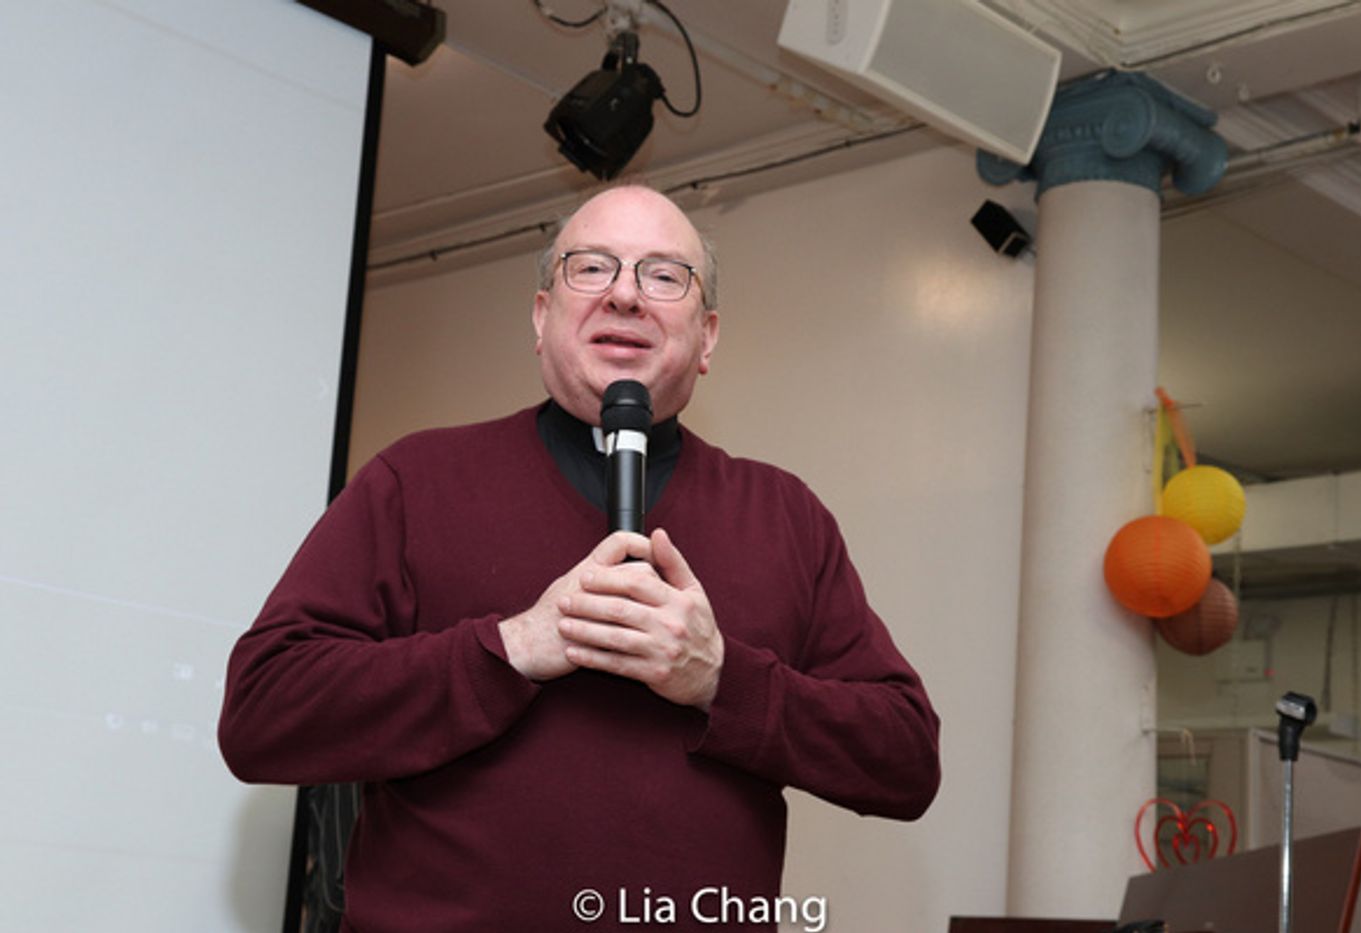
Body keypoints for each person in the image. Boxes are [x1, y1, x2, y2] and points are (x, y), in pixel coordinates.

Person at [219, 184, 941, 932]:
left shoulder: (786, 516)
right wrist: (510, 648)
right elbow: (261, 711)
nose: (626, 295)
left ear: (708, 337)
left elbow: (906, 759)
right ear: (541, 317)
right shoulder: (416, 481)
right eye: (591, 268)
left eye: (664, 276)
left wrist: (722, 679)